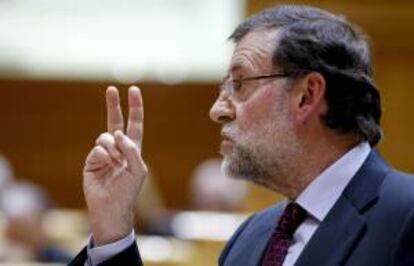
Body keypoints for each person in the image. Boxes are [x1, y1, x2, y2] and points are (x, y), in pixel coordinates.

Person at [69, 4, 414, 266]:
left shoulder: (407, 217)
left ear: (307, 96)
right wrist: (113, 233)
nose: (217, 109)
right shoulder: (250, 239)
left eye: (239, 84)